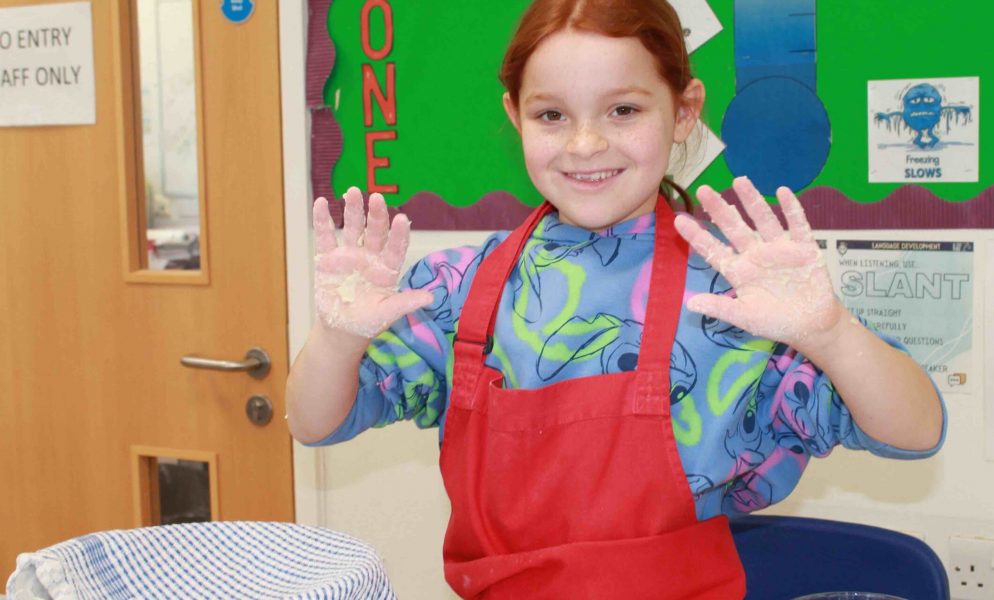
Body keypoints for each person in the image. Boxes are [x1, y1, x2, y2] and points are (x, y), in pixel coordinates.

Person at [286, 0, 946, 597]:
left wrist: (830, 333)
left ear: (683, 110)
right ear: (515, 115)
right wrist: (337, 340)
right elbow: (313, 423)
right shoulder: (461, 288)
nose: (585, 144)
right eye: (551, 115)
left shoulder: (736, 294)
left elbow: (916, 432)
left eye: (623, 110)